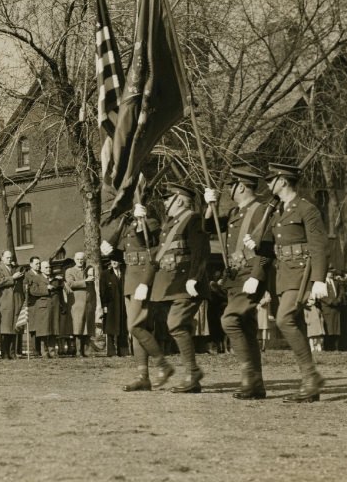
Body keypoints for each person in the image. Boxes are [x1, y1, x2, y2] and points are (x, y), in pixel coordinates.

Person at [244, 162, 329, 403]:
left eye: (271, 180)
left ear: (282, 181)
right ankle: (309, 385)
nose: (268, 185)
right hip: (283, 274)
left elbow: (319, 245)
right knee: (296, 324)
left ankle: (312, 377)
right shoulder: (279, 211)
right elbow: (273, 246)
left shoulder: (306, 209)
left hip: (301, 272)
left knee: (284, 319)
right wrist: (258, 246)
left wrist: (319, 279)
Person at [204, 166, 270, 399]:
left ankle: (248, 377)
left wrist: (257, 276)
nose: (229, 190)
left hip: (250, 274)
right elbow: (209, 228)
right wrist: (208, 207)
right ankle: (257, 385)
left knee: (230, 320)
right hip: (235, 277)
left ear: (241, 186)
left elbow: (267, 247)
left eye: (231, 186)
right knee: (246, 328)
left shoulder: (262, 211)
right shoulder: (234, 213)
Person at [102, 204, 170, 391]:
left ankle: (162, 365)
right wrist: (111, 251)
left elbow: (148, 243)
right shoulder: (128, 227)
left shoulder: (152, 223)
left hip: (143, 280)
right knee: (137, 330)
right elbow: (126, 254)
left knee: (137, 326)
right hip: (130, 282)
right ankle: (143, 376)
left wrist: (142, 222)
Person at [153, 183, 211, 393]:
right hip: (173, 285)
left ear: (178, 199)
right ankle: (192, 375)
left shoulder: (192, 219)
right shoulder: (170, 223)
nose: (165, 203)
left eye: (167, 199)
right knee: (179, 326)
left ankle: (193, 372)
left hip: (188, 284)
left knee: (175, 324)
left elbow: (200, 251)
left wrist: (194, 277)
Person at [0, 250, 25, 359]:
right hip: (4, 302)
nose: (9, 259)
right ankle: (4, 353)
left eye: (10, 257)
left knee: (13, 328)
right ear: (2, 258)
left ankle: (12, 352)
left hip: (15, 301)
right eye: (7, 257)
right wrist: (12, 278)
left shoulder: (15, 269)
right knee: (4, 329)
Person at [27, 260, 61, 357]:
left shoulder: (54, 279)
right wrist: (46, 289)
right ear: (41, 269)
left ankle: (52, 351)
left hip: (54, 306)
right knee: (44, 330)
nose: (48, 269)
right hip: (43, 306)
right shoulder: (36, 278)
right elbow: (33, 291)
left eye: (49, 267)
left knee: (53, 329)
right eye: (46, 267)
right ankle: (44, 351)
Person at [64, 252, 96, 357]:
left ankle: (87, 351)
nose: (80, 261)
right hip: (77, 303)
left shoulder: (88, 270)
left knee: (88, 326)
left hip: (88, 302)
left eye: (82, 259)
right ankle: (78, 350)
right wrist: (85, 281)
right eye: (78, 259)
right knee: (78, 327)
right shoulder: (70, 271)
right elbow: (70, 283)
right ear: (74, 259)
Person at [100, 251, 128, 357]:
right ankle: (111, 351)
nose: (114, 262)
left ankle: (123, 351)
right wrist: (104, 306)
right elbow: (103, 292)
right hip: (111, 305)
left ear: (120, 262)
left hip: (123, 304)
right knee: (110, 328)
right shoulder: (105, 274)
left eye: (116, 260)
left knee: (123, 327)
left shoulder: (125, 273)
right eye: (112, 261)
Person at [23, 257, 43, 357]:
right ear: (31, 264)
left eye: (39, 263)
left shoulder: (41, 274)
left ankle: (41, 349)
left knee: (41, 327)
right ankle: (36, 350)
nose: (38, 265)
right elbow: (30, 290)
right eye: (36, 263)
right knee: (34, 328)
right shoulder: (27, 275)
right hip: (32, 304)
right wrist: (44, 290)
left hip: (41, 304)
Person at [321, 267, 344, 351]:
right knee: (328, 327)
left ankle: (336, 346)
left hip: (336, 308)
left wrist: (338, 299)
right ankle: (328, 347)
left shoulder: (336, 282)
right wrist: (330, 301)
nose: (330, 274)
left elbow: (341, 292)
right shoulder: (322, 283)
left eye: (332, 272)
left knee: (336, 327)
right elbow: (320, 295)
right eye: (328, 272)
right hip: (327, 308)